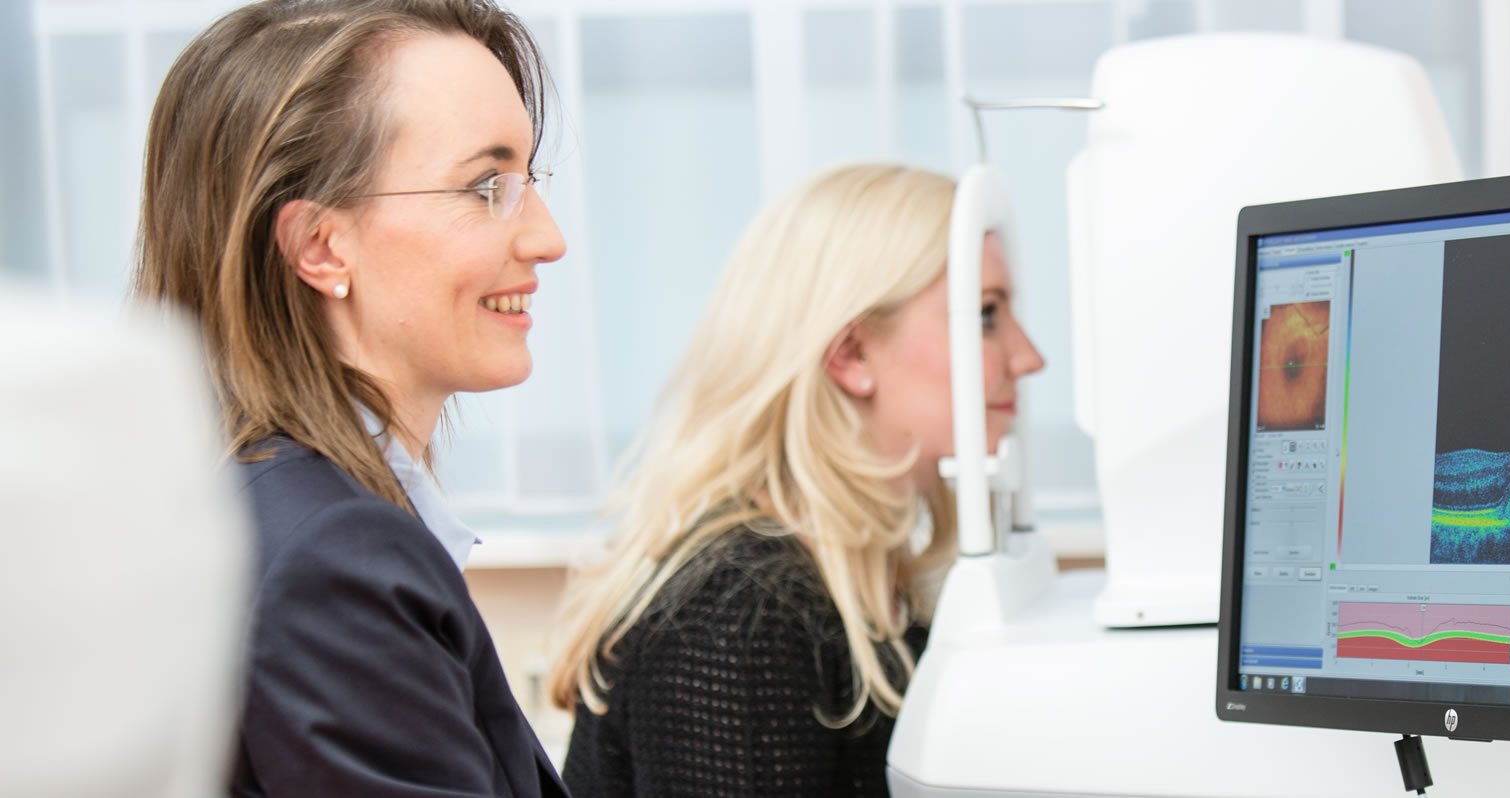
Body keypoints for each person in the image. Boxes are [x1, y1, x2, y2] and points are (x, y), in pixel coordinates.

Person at [132, 1, 568, 795]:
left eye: (529, 180)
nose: (548, 238)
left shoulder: (246, 506)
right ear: (320, 247)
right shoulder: (334, 557)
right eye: (486, 186)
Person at [547, 163, 1046, 796]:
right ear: (852, 354)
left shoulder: (866, 577)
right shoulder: (738, 618)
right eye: (984, 315)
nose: (1029, 357)